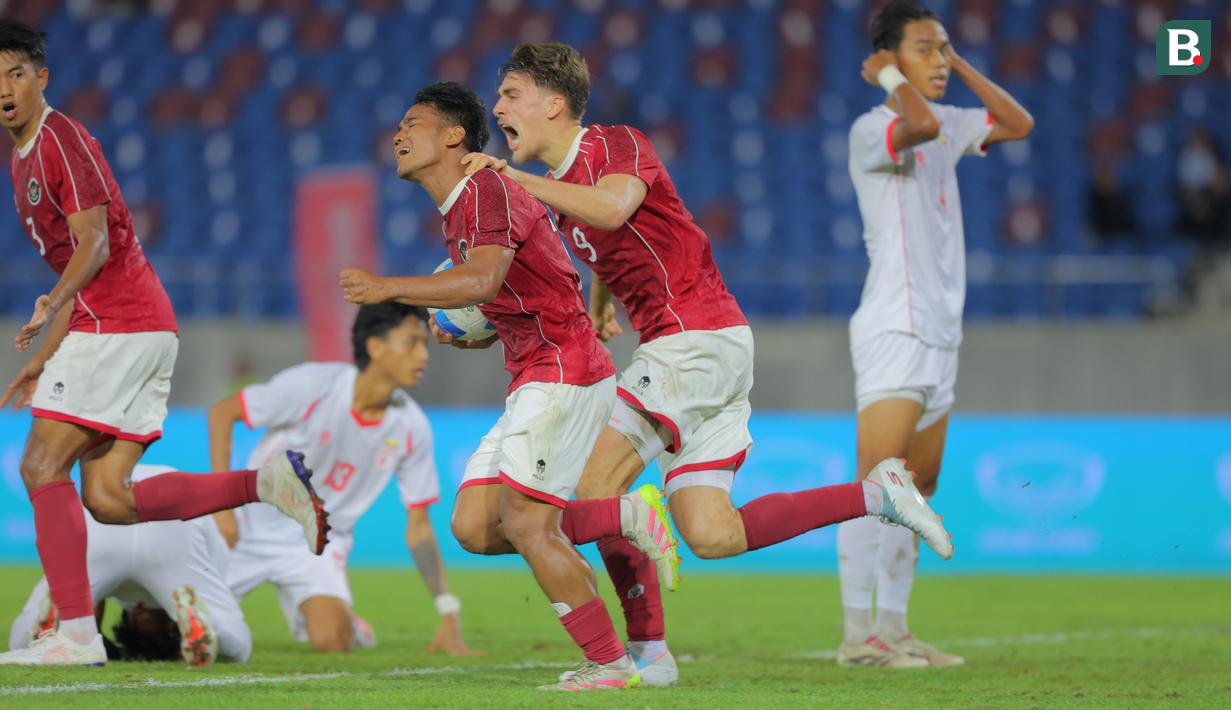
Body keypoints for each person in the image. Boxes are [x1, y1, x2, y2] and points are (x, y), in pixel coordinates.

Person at [460, 41, 954, 686]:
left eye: (510, 95)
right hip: (704, 349)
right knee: (713, 533)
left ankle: (643, 654)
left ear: (555, 104)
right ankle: (878, 494)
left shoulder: (614, 144)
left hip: (693, 341)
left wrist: (510, 177)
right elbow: (608, 242)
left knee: (595, 485)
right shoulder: (560, 191)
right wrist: (603, 304)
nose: (497, 108)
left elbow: (613, 208)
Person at [0, 19, 328, 666]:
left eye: (16, 74)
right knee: (107, 498)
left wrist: (53, 304)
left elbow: (95, 245)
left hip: (118, 323)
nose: (5, 89)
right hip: (133, 323)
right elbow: (83, 265)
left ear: (42, 78)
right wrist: (44, 358)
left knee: (39, 466)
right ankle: (263, 485)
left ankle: (76, 636)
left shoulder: (60, 140)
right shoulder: (23, 157)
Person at [338, 81, 677, 691]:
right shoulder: (464, 206)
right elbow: (531, 287)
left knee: (526, 525)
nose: (398, 135)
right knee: (475, 526)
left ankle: (609, 663)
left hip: (563, 370)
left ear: (453, 136)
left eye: (413, 123)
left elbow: (483, 281)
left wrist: (390, 288)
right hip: (536, 371)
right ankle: (620, 515)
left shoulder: (485, 188)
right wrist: (486, 331)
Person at [840, 0, 1033, 667]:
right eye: (925, 48)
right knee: (877, 484)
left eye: (944, 48)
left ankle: (894, 629)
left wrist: (958, 65)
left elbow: (1019, 123)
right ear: (889, 58)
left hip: (942, 329)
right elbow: (915, 121)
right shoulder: (873, 129)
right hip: (896, 323)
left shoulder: (948, 122)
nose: (940, 60)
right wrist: (893, 81)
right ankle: (856, 635)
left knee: (918, 488)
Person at [209, 303, 476, 655]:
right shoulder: (314, 385)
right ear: (375, 346)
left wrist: (447, 609)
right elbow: (222, 413)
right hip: (247, 527)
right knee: (177, 630)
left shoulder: (413, 427)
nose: (423, 355)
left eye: (424, 344)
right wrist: (222, 507)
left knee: (334, 641)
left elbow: (420, 527)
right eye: (411, 343)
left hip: (319, 543)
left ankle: (348, 623)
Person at [9, 465, 252, 666]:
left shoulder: (121, 593)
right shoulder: (180, 596)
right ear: (175, 624)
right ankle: (211, 625)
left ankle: (57, 623)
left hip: (105, 500)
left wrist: (88, 623)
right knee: (238, 649)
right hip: (167, 511)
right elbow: (217, 557)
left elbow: (217, 550)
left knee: (24, 639)